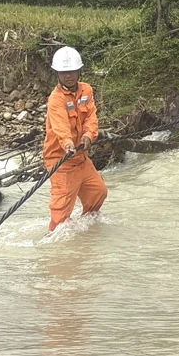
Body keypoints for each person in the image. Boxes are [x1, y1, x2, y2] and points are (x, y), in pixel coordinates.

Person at [43, 46, 108, 232]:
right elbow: (60, 125)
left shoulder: (86, 90)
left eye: (71, 71)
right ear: (57, 73)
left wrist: (89, 135)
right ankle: (54, 240)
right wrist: (68, 143)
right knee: (60, 213)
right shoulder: (56, 99)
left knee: (98, 192)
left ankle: (85, 231)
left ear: (79, 71)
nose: (68, 76)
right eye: (64, 72)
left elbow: (91, 117)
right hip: (61, 161)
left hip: (81, 158)